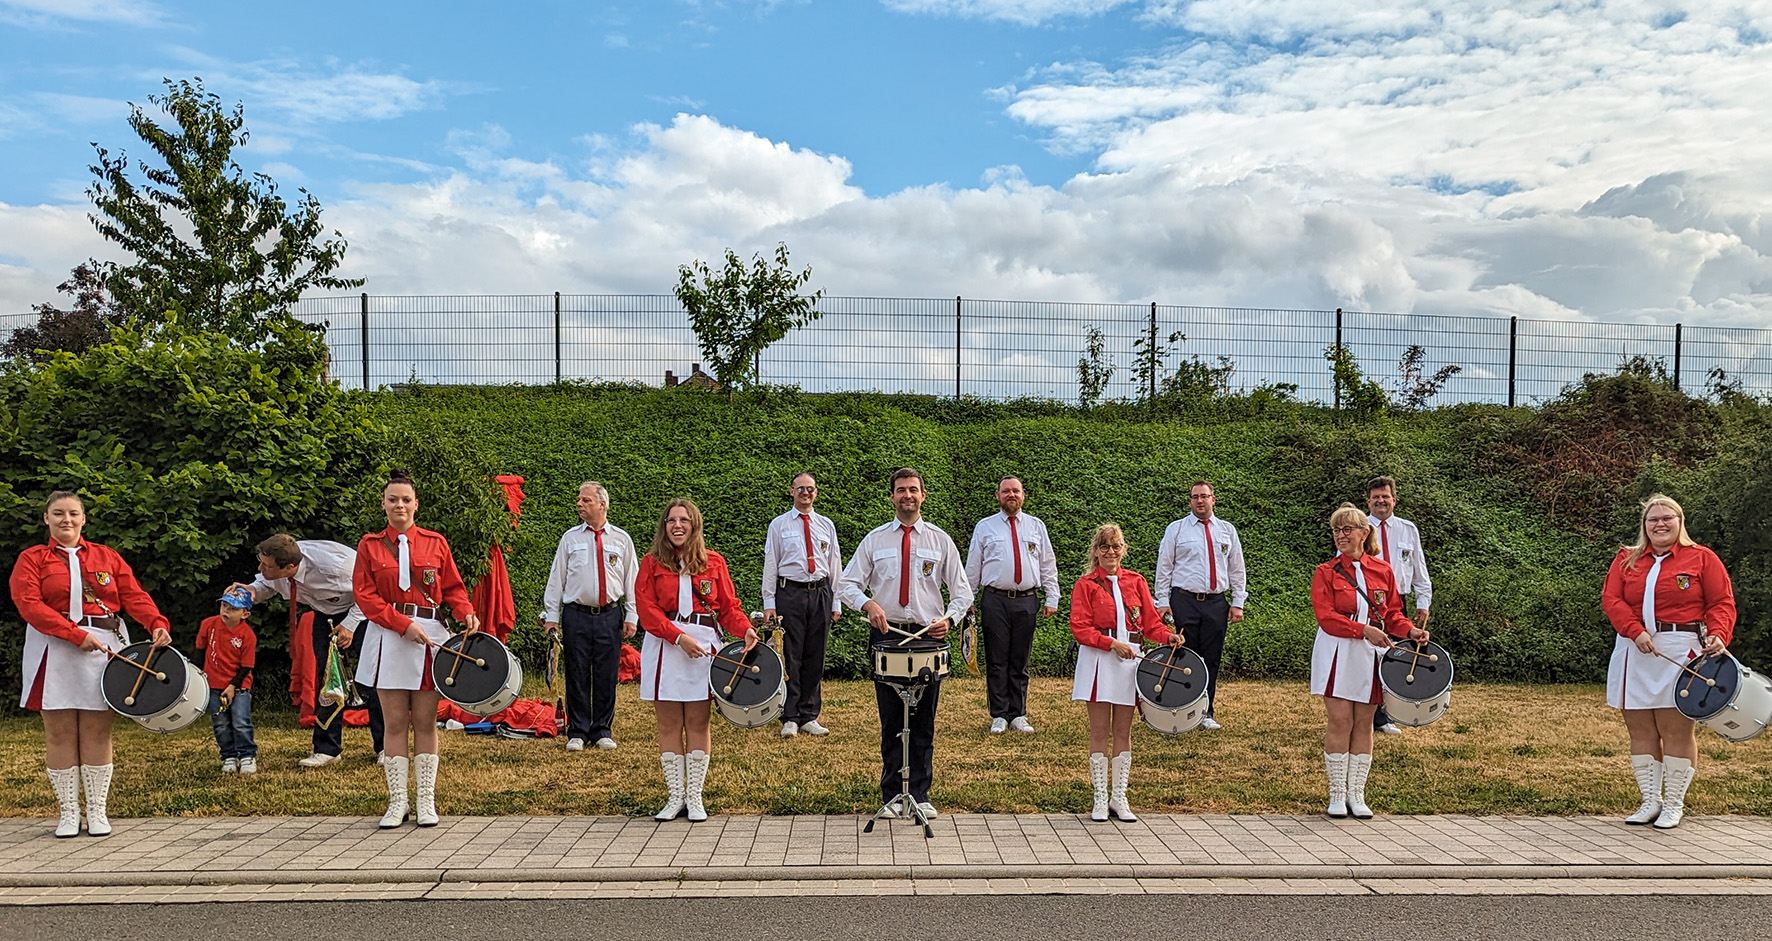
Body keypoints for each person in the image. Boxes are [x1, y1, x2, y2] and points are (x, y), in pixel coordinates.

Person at [10, 491, 172, 838]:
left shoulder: (106, 556)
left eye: (72, 514)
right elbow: (28, 604)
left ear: (83, 519)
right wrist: (71, 634)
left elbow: (133, 595)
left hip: (103, 648)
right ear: (46, 519)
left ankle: (97, 810)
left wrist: (156, 622)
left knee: (98, 731)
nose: (65, 520)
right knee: (59, 731)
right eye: (58, 514)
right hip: (53, 648)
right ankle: (68, 812)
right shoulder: (32, 558)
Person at [839, 467, 973, 820]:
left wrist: (949, 619)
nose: (907, 496)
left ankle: (920, 793)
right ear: (892, 497)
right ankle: (891, 795)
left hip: (928, 637)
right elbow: (846, 584)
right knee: (891, 720)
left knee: (924, 720)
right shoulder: (875, 540)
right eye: (901, 490)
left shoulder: (940, 540)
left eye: (913, 490)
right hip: (888, 636)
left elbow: (962, 592)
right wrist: (867, 605)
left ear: (923, 495)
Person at [352, 470, 480, 829]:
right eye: (393, 499)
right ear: (383, 504)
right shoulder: (370, 545)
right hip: (389, 636)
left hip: (429, 636)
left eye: (406, 499)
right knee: (394, 722)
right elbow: (365, 595)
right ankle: (397, 803)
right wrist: (400, 625)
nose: (400, 505)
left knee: (425, 721)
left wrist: (466, 611)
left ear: (416, 504)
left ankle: (426, 800)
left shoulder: (435, 542)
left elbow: (453, 588)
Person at [1600, 494, 1736, 829]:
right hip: (1636, 648)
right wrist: (1635, 631)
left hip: (1681, 649)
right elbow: (1612, 599)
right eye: (1653, 519)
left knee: (1675, 728)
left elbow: (1721, 602)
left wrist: (1720, 633)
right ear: (1644, 525)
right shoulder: (1626, 560)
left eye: (1667, 518)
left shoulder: (1702, 558)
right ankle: (1650, 800)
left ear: (1680, 521)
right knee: (1640, 728)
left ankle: (1674, 803)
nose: (1660, 524)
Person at [634, 499, 758, 822]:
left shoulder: (713, 562)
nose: (677, 526)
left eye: (684, 520)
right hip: (666, 646)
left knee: (699, 723)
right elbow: (647, 610)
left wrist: (745, 629)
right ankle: (675, 796)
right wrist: (678, 638)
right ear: (664, 526)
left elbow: (729, 607)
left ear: (694, 525)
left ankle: (695, 797)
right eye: (671, 520)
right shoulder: (650, 563)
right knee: (669, 724)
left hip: (703, 648)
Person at [1309, 503, 1426, 819]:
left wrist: (1411, 631)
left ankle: (1357, 795)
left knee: (1364, 722)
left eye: (1347, 529)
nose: (1341, 535)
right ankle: (1336, 794)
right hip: (1337, 651)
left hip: (1370, 654)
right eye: (1336, 529)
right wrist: (1363, 630)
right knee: (1340, 720)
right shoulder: (1326, 571)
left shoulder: (1383, 570)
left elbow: (1391, 614)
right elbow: (1327, 617)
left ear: (1364, 533)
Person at [1069, 523, 1180, 822]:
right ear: (1096, 551)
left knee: (1123, 731)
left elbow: (1150, 623)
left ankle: (1120, 796)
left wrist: (1166, 636)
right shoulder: (1086, 584)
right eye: (1104, 546)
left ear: (1123, 549)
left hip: (1131, 660)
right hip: (1098, 660)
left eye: (1116, 546)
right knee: (1099, 731)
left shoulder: (1136, 581)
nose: (1111, 551)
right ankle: (1099, 797)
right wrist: (1110, 644)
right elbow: (1080, 627)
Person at [241, 534, 380, 768]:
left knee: (373, 677)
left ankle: (387, 748)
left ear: (291, 567)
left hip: (361, 611)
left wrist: (350, 625)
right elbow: (265, 584)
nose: (260, 568)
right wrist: (250, 592)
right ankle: (327, 750)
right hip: (323, 613)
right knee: (326, 680)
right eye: (261, 561)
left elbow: (372, 590)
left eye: (266, 565)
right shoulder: (280, 564)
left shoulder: (335, 567)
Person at [541, 481, 639, 752]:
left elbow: (632, 579)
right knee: (577, 671)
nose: (579, 504)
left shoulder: (621, 539)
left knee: (607, 673)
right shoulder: (570, 538)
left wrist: (632, 614)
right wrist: (551, 615)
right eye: (579, 500)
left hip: (610, 614)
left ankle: (602, 729)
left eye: (585, 500)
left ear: (602, 504)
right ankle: (578, 731)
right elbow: (556, 579)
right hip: (577, 614)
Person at [966, 476, 1060, 735]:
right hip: (994, 599)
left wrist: (1052, 597)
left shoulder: (1036, 526)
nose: (1011, 495)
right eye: (1006, 491)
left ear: (1023, 495)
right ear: (998, 496)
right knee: (996, 659)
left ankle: (1018, 713)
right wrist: (967, 599)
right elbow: (973, 564)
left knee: (1020, 659)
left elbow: (1047, 564)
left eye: (1016, 491)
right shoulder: (985, 527)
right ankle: (998, 714)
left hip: (1027, 599)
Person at [1155, 480, 1247, 729]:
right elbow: (1164, 566)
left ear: (1213, 499)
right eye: (1195, 497)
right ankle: (1181, 711)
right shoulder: (1177, 529)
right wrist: (1162, 601)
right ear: (1190, 501)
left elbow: (1237, 569)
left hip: (1216, 603)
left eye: (1204, 496)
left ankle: (1206, 712)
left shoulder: (1227, 530)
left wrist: (1237, 602)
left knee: (1211, 659)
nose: (1200, 501)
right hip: (1184, 601)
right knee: (1183, 657)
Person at [761, 472, 843, 739]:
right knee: (791, 656)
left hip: (820, 593)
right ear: (791, 491)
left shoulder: (826, 525)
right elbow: (771, 564)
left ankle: (810, 715)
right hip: (790, 594)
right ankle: (790, 716)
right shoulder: (779, 525)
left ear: (816, 493)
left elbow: (835, 565)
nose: (806, 493)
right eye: (801, 488)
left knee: (815, 656)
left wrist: (836, 600)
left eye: (810, 489)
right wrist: (769, 603)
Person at [1365, 476, 1434, 736]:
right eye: (1375, 497)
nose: (1381, 501)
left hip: (1397, 603)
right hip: (1368, 601)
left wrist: (1423, 601)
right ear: (1368, 501)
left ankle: (1386, 715)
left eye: (1385, 496)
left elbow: (1419, 569)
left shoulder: (1408, 529)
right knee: (1368, 658)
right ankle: (1365, 714)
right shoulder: (1360, 527)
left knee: (1395, 658)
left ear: (1394, 499)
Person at [197, 587, 259, 774]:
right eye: (224, 605)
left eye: (233, 608)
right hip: (213, 684)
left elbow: (247, 666)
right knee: (220, 723)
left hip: (238, 686)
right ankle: (228, 756)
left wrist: (233, 686)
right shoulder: (208, 624)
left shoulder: (247, 635)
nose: (226, 611)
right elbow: (199, 651)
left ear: (244, 613)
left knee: (241, 721)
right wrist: (198, 677)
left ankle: (247, 756)